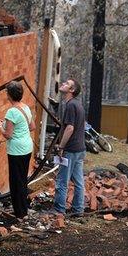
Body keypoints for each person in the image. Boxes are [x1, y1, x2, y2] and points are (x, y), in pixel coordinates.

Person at [0, 81, 34, 218]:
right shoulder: (26, 107)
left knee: (15, 181)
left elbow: (8, 135)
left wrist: (0, 126)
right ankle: (23, 209)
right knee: (23, 179)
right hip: (27, 147)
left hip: (16, 150)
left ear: (10, 95)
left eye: (7, 92)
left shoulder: (12, 112)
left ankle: (19, 212)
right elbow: (32, 127)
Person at [53, 78, 86, 216]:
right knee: (78, 182)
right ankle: (78, 209)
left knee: (62, 181)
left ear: (71, 91)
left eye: (67, 84)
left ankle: (59, 211)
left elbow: (70, 128)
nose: (63, 84)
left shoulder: (71, 105)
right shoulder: (78, 105)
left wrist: (61, 147)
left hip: (71, 149)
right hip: (80, 149)